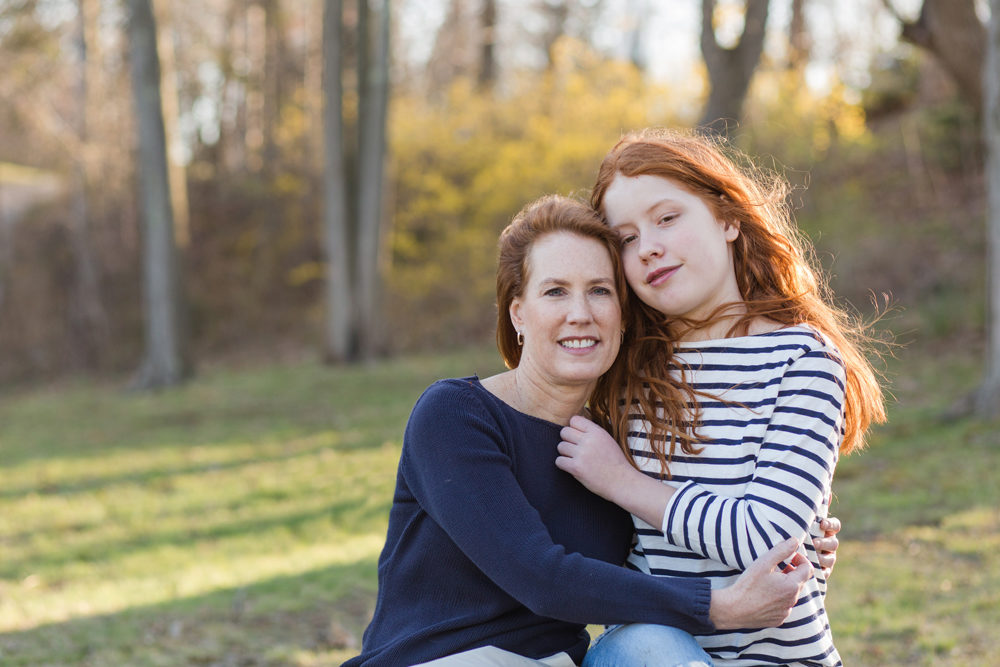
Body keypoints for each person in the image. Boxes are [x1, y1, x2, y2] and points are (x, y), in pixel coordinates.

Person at [342, 194, 829, 667]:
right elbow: (543, 577)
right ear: (518, 313)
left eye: (600, 290)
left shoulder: (606, 449)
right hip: (442, 660)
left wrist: (798, 541)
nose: (581, 313)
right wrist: (719, 607)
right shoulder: (456, 415)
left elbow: (658, 553)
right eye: (555, 291)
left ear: (622, 315)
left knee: (652, 645)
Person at [555, 129, 886, 666]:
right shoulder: (623, 371)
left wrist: (623, 483)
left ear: (728, 218)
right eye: (627, 239)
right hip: (651, 650)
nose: (650, 247)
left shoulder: (801, 360)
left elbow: (767, 539)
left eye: (666, 218)